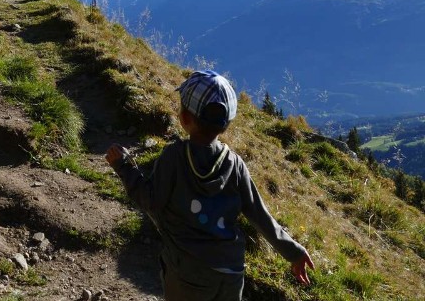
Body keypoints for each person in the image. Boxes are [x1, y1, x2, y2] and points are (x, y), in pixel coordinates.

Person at [106, 70, 314, 300]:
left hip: (188, 272)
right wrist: (294, 251)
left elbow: (150, 200)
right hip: (231, 272)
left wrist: (124, 167)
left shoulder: (174, 156)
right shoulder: (235, 164)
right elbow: (259, 214)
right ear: (227, 123)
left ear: (184, 118)